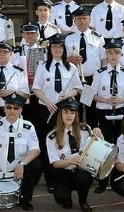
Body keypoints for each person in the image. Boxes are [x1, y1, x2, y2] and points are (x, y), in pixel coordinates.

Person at [32, 34, 83, 193]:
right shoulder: (42, 67)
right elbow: (36, 89)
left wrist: (67, 95)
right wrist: (48, 102)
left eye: (60, 47)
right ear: (50, 49)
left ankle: (68, 177)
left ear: (64, 49)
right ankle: (50, 179)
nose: (57, 49)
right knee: (49, 144)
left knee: (66, 142)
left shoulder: (71, 67)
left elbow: (78, 88)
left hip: (66, 110)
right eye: (54, 47)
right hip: (47, 109)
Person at [0, 93, 42, 211]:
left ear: (21, 110)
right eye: (9, 107)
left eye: (16, 108)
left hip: (19, 172)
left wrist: (22, 164)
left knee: (36, 165)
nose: (12, 111)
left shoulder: (28, 127)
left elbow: (35, 149)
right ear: (4, 108)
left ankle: (25, 199)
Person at [91, 37, 124, 193]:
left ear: (121, 55)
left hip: (121, 113)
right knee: (105, 147)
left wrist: (121, 99)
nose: (113, 56)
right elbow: (92, 95)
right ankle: (102, 180)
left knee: (121, 146)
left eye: (116, 53)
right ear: (106, 55)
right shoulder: (99, 73)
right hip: (104, 112)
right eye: (110, 53)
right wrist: (105, 100)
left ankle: (117, 177)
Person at [46, 98, 102, 212]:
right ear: (60, 113)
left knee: (84, 177)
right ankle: (67, 198)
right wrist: (71, 161)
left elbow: (97, 146)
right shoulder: (52, 136)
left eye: (72, 112)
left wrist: (98, 134)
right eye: (66, 112)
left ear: (76, 114)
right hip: (63, 170)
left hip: (81, 169)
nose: (69, 115)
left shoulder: (85, 129)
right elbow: (55, 163)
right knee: (61, 198)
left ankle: (83, 201)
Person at [65, 7, 105, 124]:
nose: (82, 21)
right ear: (75, 21)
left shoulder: (97, 37)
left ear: (89, 20)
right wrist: (70, 59)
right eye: (79, 18)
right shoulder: (69, 38)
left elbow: (104, 58)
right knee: (75, 109)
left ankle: (92, 137)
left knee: (90, 109)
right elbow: (62, 59)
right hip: (75, 79)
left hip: (91, 79)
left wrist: (101, 77)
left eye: (84, 18)